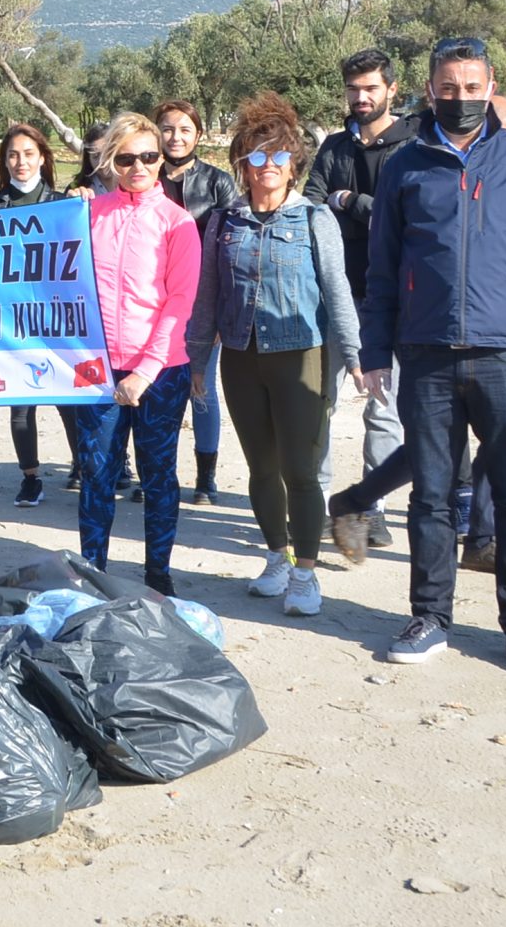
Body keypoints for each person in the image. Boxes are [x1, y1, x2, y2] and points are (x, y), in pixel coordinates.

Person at [359, 38, 506, 673]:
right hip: (425, 356)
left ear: (491, 86)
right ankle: (429, 616)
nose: (461, 98)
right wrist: (375, 350)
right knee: (431, 495)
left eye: (473, 86)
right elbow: (382, 269)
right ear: (430, 90)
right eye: (449, 87)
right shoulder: (407, 165)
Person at [327, 91, 506, 566]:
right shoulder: (421, 172)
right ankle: (355, 501)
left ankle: (482, 538)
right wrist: (378, 341)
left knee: (505, 440)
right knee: (431, 446)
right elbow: (388, 259)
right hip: (430, 331)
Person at [186, 95, 360, 619]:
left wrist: (352, 354)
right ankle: (276, 558)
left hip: (301, 354)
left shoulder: (314, 219)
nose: (267, 169)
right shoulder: (224, 222)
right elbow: (207, 296)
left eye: (278, 158)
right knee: (261, 469)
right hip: (240, 356)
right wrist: (197, 360)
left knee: (300, 470)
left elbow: (336, 289)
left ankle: (306, 573)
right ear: (241, 163)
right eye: (256, 158)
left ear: (295, 165)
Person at [70, 113, 200, 594]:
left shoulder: (178, 223)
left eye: (149, 156)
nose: (139, 166)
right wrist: (72, 204)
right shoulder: (89, 214)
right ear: (111, 162)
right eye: (126, 158)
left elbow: (179, 303)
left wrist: (145, 371)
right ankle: (91, 573)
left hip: (161, 372)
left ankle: (158, 576)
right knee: (97, 473)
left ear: (162, 158)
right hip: (100, 370)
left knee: (158, 475)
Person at [307, 49, 418, 557]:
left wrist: (349, 201)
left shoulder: (414, 146)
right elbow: (309, 210)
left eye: (370, 88)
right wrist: (347, 206)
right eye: (353, 89)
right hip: (334, 295)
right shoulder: (332, 148)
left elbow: (405, 215)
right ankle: (317, 502)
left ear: (391, 89)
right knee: (318, 404)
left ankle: (370, 507)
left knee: (385, 407)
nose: (361, 97)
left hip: (394, 298)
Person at [156, 102, 240, 508]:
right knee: (157, 393)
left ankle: (206, 479)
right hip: (149, 306)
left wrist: (224, 309)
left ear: (198, 134)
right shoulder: (141, 176)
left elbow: (230, 250)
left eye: (185, 129)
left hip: (201, 306)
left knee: (201, 390)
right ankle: (159, 474)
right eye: (168, 129)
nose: (176, 137)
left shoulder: (218, 183)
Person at [0, 123, 71, 507]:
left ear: (43, 157)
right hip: (13, 322)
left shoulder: (63, 202)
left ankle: (85, 466)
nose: (21, 162)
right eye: (13, 155)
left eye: (28, 154)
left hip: (57, 320)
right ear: (4, 161)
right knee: (21, 404)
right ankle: (30, 477)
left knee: (71, 400)